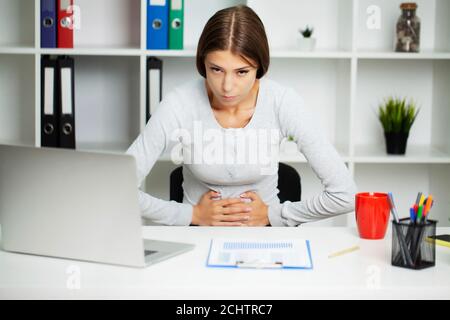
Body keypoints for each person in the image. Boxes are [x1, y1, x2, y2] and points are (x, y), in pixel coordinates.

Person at [126, 5, 356, 227]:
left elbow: (345, 194)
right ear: (202, 63)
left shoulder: (283, 102)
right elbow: (117, 187)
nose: (227, 86)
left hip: (266, 240)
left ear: (259, 68)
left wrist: (274, 215)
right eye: (216, 69)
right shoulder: (180, 103)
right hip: (196, 237)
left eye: (242, 72)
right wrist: (189, 214)